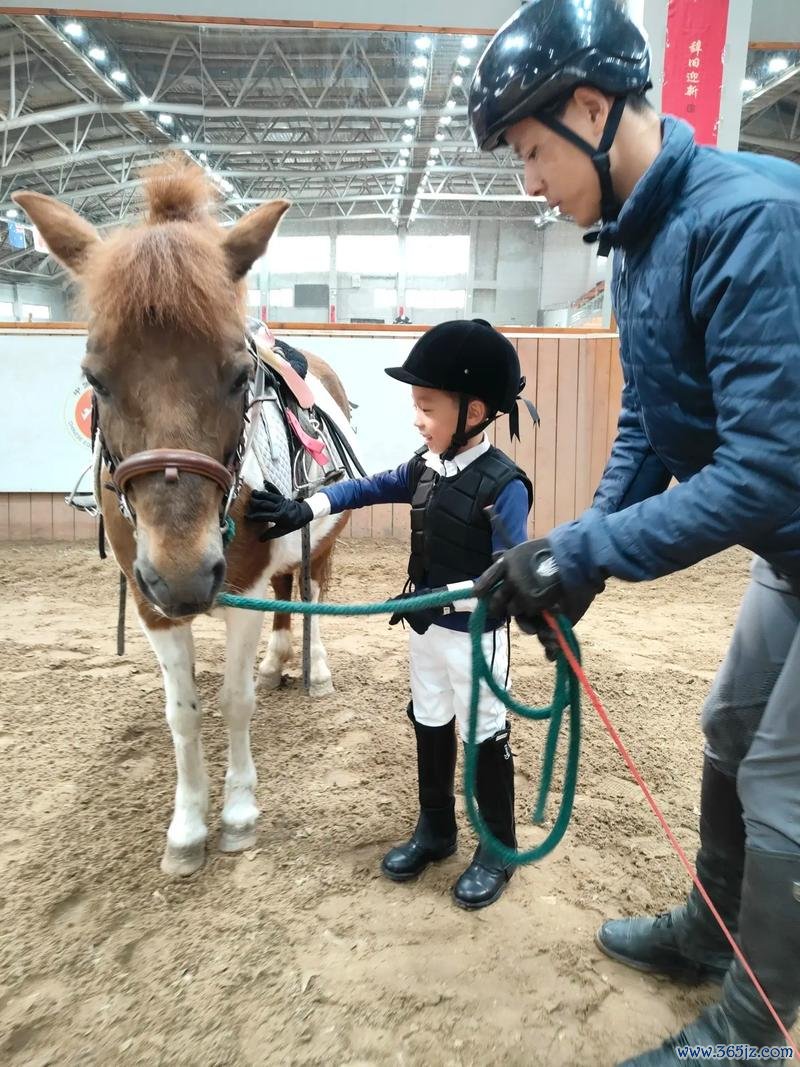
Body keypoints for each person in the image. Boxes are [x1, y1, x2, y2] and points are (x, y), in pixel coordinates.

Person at [468, 1, 800, 1063]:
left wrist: (580, 550)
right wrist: (579, 553)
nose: (529, 182)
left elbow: (759, 470)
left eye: (530, 151)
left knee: (782, 782)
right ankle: (712, 931)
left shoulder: (746, 221)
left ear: (588, 108)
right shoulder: (639, 238)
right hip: (792, 546)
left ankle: (753, 1034)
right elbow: (648, 422)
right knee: (728, 729)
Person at [247, 318, 534, 909]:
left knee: (484, 733)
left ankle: (498, 847)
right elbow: (366, 487)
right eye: (415, 407)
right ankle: (436, 828)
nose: (417, 419)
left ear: (474, 412)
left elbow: (504, 576)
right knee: (429, 721)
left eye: (427, 408)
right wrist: (307, 507)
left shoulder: (504, 486)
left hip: (474, 638)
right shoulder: (426, 468)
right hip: (425, 631)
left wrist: (440, 598)